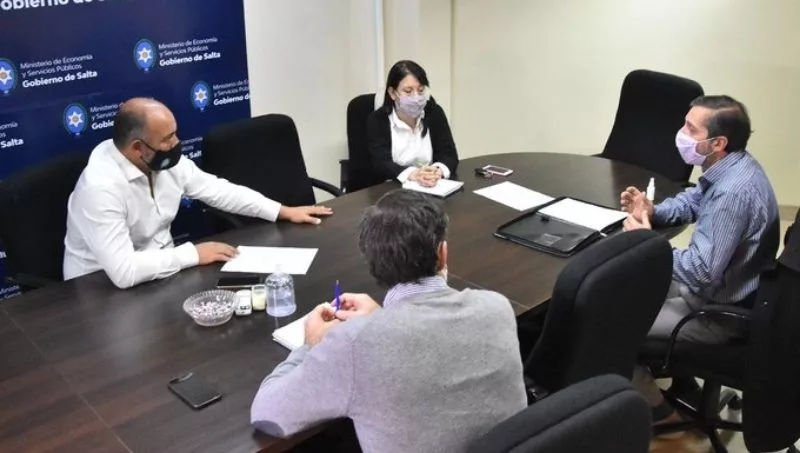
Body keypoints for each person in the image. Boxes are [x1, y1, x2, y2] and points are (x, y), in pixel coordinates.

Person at [250, 190, 526, 453]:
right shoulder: (496, 307)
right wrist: (382, 318)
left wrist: (310, 346)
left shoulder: (355, 345)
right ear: (443, 254)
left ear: (373, 266)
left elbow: (266, 414)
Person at [621, 95, 779, 425]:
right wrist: (654, 211)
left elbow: (700, 271)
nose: (681, 133)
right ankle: (684, 382)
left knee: (608, 327)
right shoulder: (733, 166)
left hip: (718, 314)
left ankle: (662, 416)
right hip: (723, 291)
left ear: (718, 142)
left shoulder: (732, 193)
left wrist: (647, 240)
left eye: (691, 129)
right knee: (620, 288)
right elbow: (694, 200)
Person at [63, 98, 332, 289]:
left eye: (175, 134)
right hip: (98, 288)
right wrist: (193, 254)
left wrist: (282, 211)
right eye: (167, 139)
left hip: (161, 274)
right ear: (137, 148)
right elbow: (124, 272)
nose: (176, 143)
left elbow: (218, 190)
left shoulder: (163, 162)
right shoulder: (101, 188)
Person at [366, 60, 459, 188]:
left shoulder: (434, 113)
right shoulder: (377, 120)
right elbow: (381, 164)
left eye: (420, 90)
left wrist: (437, 171)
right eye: (408, 91)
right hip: (393, 189)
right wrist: (413, 174)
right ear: (392, 93)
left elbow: (449, 154)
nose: (416, 97)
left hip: (432, 186)